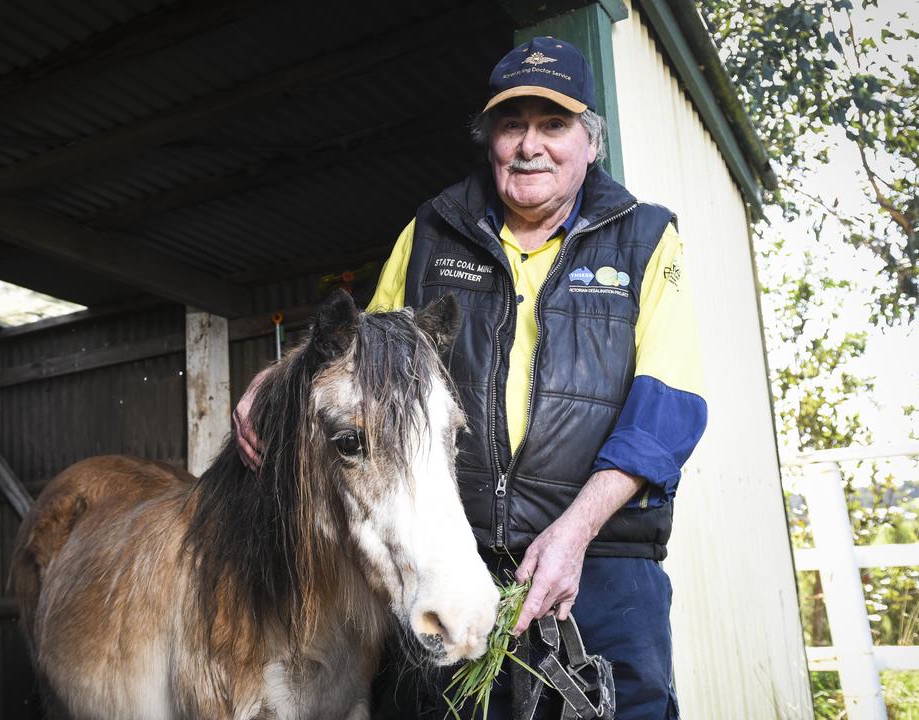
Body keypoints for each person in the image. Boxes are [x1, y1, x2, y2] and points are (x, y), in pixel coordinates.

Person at [235, 36, 706, 720]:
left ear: (590, 141)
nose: (530, 145)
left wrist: (574, 534)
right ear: (489, 139)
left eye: (554, 124)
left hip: (602, 561)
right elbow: (360, 348)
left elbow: (670, 405)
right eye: (512, 125)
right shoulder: (433, 230)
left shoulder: (645, 238)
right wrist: (275, 378)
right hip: (462, 563)